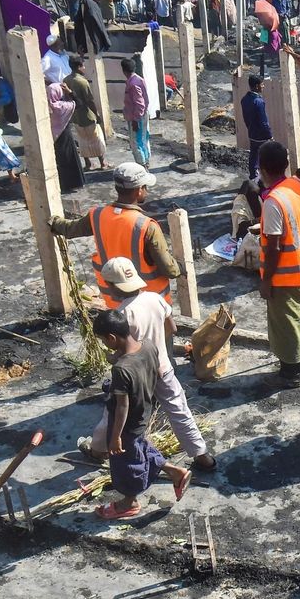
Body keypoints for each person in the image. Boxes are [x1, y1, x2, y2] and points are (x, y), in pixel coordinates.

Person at [85, 258, 216, 470]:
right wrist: (157, 346)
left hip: (137, 376)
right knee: (179, 410)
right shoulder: (155, 298)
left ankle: (98, 450)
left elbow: (127, 350)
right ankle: (203, 456)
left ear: (111, 285)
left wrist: (114, 358)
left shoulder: (123, 314)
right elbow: (171, 328)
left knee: (115, 410)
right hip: (162, 366)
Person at [90, 308, 191, 520]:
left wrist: (116, 437)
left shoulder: (121, 369)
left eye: (104, 340)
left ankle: (129, 502)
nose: (104, 344)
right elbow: (145, 370)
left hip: (126, 424)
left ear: (112, 338)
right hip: (143, 412)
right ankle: (175, 472)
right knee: (140, 448)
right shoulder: (148, 346)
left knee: (126, 463)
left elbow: (122, 406)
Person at [51, 163, 177, 307]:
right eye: (145, 187)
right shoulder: (147, 226)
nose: (146, 191)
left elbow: (70, 229)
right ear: (139, 191)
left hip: (115, 302)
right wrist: (180, 268)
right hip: (150, 305)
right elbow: (169, 269)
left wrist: (54, 222)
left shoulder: (97, 216)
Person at [255, 142, 300, 388]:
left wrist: (266, 281)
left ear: (262, 169)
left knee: (286, 324)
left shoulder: (273, 202)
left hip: (284, 275)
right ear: (286, 164)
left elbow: (274, 247)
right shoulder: (298, 185)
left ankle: (291, 373)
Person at [64, 56, 110, 171]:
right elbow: (90, 101)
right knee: (96, 138)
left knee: (82, 139)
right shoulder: (82, 82)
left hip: (75, 115)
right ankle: (103, 163)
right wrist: (97, 115)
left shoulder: (66, 80)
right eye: (83, 66)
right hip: (87, 115)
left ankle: (88, 163)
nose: (84, 68)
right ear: (79, 67)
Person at [47, 80, 85, 192]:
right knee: (68, 159)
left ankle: (62, 184)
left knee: (59, 160)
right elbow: (79, 103)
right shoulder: (61, 106)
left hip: (52, 135)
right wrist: (70, 92)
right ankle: (70, 184)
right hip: (64, 134)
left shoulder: (47, 104)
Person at [241, 74, 271, 183]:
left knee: (253, 155)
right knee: (264, 157)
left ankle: (253, 177)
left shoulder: (244, 99)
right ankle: (262, 180)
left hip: (252, 133)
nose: (263, 86)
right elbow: (263, 121)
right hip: (261, 136)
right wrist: (269, 135)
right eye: (262, 84)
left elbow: (245, 118)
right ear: (257, 86)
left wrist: (250, 128)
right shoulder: (258, 101)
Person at [121, 58, 150, 167]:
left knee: (135, 143)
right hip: (142, 114)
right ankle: (146, 161)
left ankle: (142, 165)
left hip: (137, 116)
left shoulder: (133, 84)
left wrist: (135, 120)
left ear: (124, 70)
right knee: (143, 139)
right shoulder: (138, 79)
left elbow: (139, 103)